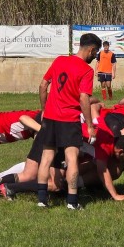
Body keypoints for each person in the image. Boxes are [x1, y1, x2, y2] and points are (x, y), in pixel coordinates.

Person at [36, 33, 101, 210]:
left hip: (50, 117)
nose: (94, 57)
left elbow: (43, 85)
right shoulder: (86, 70)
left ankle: (42, 200)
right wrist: (89, 125)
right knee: (71, 159)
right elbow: (83, 99)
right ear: (91, 49)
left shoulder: (59, 61)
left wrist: (44, 110)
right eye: (95, 54)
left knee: (46, 157)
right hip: (69, 119)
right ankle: (72, 202)